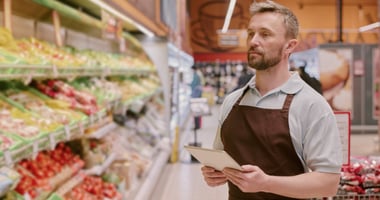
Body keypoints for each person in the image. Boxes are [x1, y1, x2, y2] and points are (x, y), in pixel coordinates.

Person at [200, 1, 343, 199]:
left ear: (289, 46)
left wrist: (266, 183)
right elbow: (221, 159)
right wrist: (214, 174)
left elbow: (328, 183)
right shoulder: (232, 101)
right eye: (251, 33)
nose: (253, 41)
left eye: (265, 34)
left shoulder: (312, 105)